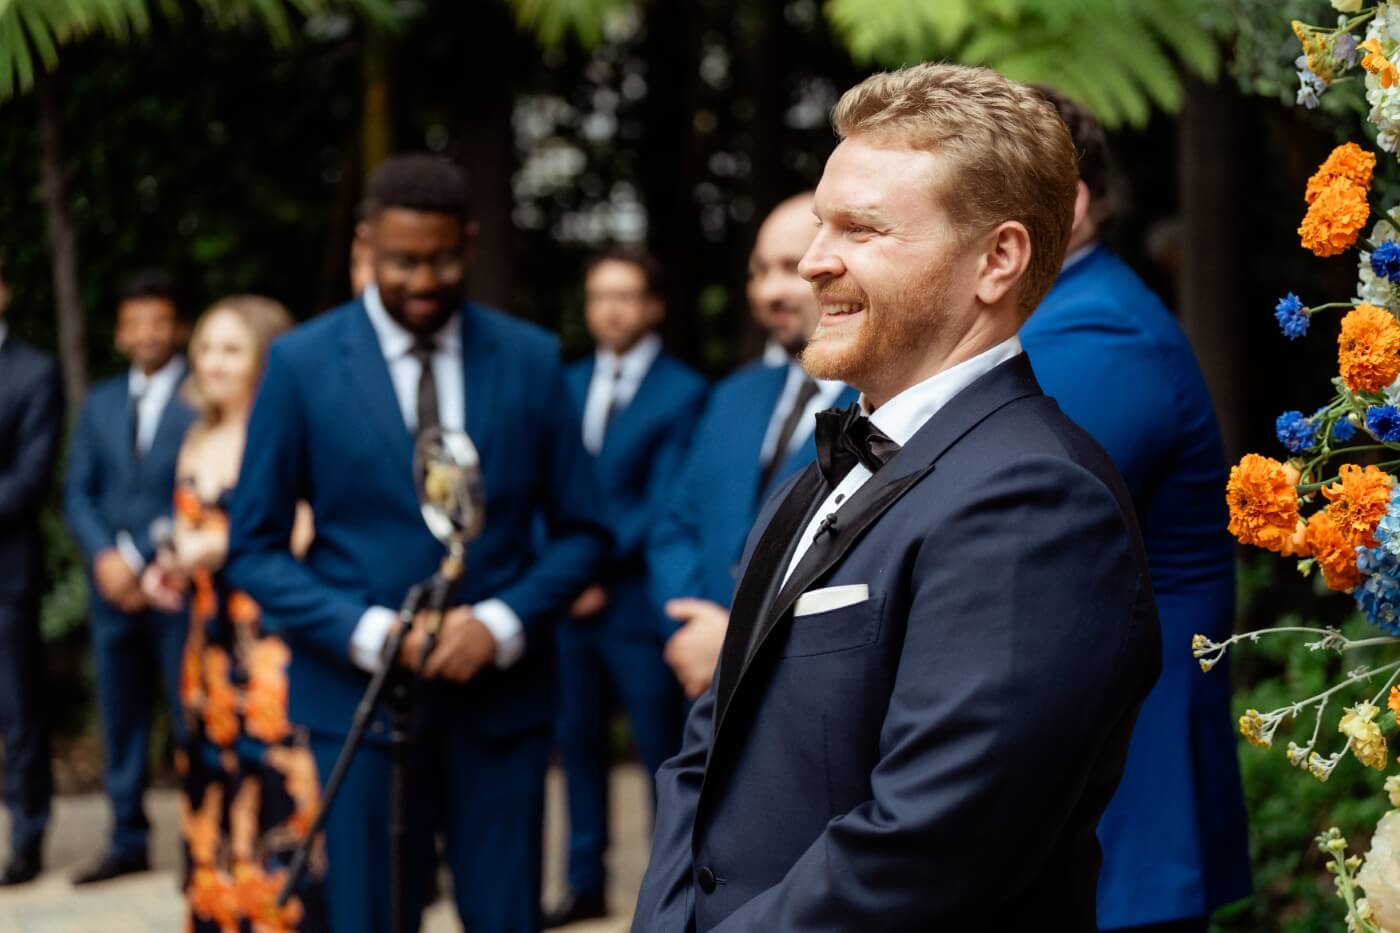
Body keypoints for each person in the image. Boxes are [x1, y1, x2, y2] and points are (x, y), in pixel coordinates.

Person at [632, 63, 1161, 932]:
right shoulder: (824, 464)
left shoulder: (1036, 500)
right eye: (818, 224)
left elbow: (928, 846)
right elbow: (705, 751)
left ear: (998, 259)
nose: (811, 262)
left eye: (862, 229)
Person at [225, 154, 610, 933]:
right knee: (369, 916)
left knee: (504, 916)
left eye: (441, 257)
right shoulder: (300, 364)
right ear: (366, 246)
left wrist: (499, 624)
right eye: (403, 260)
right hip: (356, 703)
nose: (424, 278)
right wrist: (370, 632)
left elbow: (584, 532)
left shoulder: (531, 357)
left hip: (500, 701)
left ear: (468, 242)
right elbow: (254, 547)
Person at [1022, 88, 1251, 933]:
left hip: (1121, 778)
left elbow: (1012, 525)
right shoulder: (1065, 313)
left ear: (1069, 203)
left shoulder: (1101, 333)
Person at [139, 296, 327, 931]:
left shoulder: (284, 430)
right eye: (207, 347)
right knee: (212, 786)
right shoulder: (197, 432)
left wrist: (214, 545)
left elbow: (303, 530)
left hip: (269, 644)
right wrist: (168, 564)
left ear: (263, 358)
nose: (212, 362)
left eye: (230, 349)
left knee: (274, 786)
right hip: (205, 645)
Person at [545, 250, 707, 927]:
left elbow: (664, 500)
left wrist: (589, 569)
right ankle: (584, 882)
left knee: (659, 750)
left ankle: (668, 890)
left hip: (637, 602)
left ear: (654, 306)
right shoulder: (567, 381)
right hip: (569, 607)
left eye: (625, 295)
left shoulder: (684, 390)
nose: (609, 309)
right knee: (576, 745)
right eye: (598, 296)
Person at [648, 193, 856, 700]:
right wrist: (691, 624)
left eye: (790, 267)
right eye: (757, 272)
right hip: (700, 688)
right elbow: (675, 524)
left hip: (802, 691)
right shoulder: (731, 396)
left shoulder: (880, 406)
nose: (768, 292)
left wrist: (734, 641)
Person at [64, 269, 197, 884]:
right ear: (120, 333)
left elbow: (196, 488)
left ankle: (204, 839)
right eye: (135, 323)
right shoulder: (100, 401)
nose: (147, 334)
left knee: (189, 713)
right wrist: (105, 559)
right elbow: (78, 492)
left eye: (159, 321)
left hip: (177, 587)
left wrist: (141, 559)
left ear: (180, 327)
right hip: (108, 589)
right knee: (120, 716)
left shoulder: (200, 398)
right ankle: (126, 838)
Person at [0, 253, 64, 887]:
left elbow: (28, 480)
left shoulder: (34, 372)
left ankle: (26, 834)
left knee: (18, 711)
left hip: (5, 575)